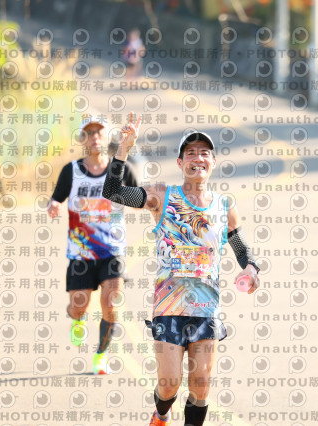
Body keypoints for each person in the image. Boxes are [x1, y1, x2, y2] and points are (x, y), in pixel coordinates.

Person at [102, 113, 260, 426]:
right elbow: (113, 192)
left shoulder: (224, 206)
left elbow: (240, 245)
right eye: (190, 153)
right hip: (169, 308)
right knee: (169, 384)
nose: (198, 158)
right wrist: (123, 150)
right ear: (180, 162)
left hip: (206, 309)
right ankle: (161, 414)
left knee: (201, 387)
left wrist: (252, 268)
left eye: (204, 153)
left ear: (213, 162)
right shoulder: (162, 196)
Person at [47, 115, 139, 374]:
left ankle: (101, 354)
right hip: (81, 252)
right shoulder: (72, 171)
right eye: (89, 133)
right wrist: (54, 204)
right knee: (78, 306)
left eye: (99, 132)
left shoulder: (120, 170)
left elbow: (141, 197)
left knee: (111, 304)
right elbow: (57, 198)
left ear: (107, 137)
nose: (95, 137)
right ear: (82, 139)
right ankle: (77, 320)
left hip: (112, 250)